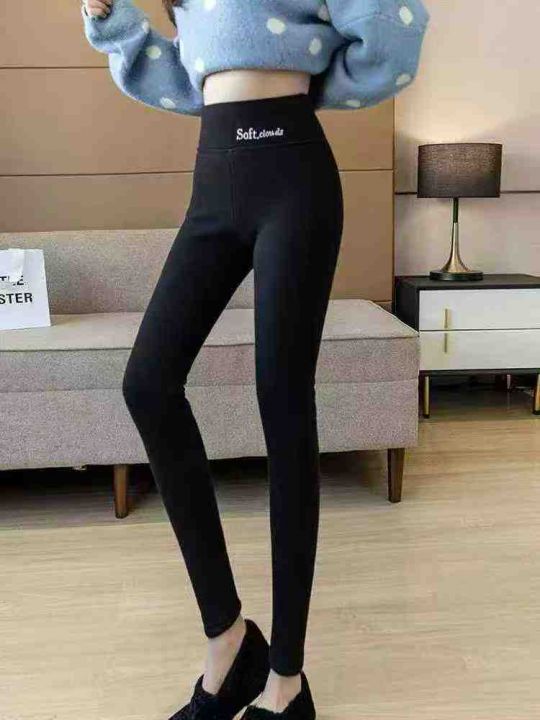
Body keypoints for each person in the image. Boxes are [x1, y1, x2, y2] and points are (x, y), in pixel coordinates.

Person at [80, 1, 430, 718]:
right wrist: (112, 20)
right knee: (148, 383)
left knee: (283, 400)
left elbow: (393, 29)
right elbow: (189, 76)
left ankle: (286, 681)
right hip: (216, 178)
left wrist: (308, 81)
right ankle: (229, 640)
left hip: (293, 174)